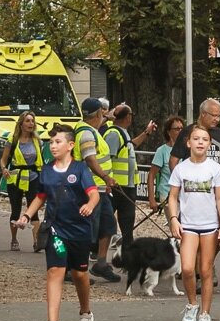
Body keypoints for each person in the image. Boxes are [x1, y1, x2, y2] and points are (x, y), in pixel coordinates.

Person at [15, 124, 99, 321]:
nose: (53, 146)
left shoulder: (80, 169)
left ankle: (85, 313)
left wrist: (90, 204)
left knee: (80, 274)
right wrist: (26, 215)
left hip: (79, 231)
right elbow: (41, 197)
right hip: (56, 230)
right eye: (51, 142)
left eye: (58, 142)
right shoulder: (46, 171)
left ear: (70, 145)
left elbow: (94, 193)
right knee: (55, 270)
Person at [167, 125, 220, 321]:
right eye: (196, 138)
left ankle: (205, 313)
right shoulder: (181, 169)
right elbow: (173, 197)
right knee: (186, 269)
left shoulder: (215, 168)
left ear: (209, 144)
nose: (200, 142)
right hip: (188, 226)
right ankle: (192, 304)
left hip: (210, 226)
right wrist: (174, 219)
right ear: (188, 143)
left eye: (204, 139)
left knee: (205, 270)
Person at [170, 99, 220, 286]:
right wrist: (178, 183)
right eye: (215, 115)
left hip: (214, 191)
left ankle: (206, 266)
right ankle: (196, 273)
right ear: (203, 113)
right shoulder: (187, 133)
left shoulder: (219, 134)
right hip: (191, 192)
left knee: (217, 235)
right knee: (191, 238)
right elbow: (174, 159)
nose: (218, 119)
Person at [73, 98, 120, 283]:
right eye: (103, 112)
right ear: (99, 113)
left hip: (100, 189)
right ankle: (77, 267)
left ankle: (101, 263)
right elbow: (90, 159)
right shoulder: (86, 134)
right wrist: (106, 177)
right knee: (87, 230)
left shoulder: (92, 131)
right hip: (89, 189)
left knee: (108, 226)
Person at [103, 103, 158, 249]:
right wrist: (108, 181)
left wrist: (146, 133)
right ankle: (96, 250)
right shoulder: (114, 134)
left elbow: (131, 145)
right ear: (128, 117)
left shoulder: (121, 132)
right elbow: (106, 159)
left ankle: (127, 255)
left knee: (127, 224)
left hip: (127, 186)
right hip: (116, 187)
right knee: (107, 220)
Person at [0, 111, 44, 251]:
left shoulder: (38, 141)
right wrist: (4, 169)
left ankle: (36, 242)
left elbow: (40, 160)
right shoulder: (13, 140)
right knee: (16, 209)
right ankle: (14, 239)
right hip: (16, 178)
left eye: (32, 121)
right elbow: (3, 160)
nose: (31, 123)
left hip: (33, 177)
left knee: (34, 209)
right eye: (28, 121)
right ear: (21, 124)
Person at [147, 116, 185, 213]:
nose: (180, 131)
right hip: (168, 194)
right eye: (177, 129)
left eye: (182, 128)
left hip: (185, 195)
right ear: (169, 132)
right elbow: (151, 175)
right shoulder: (162, 151)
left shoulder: (188, 149)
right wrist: (152, 199)